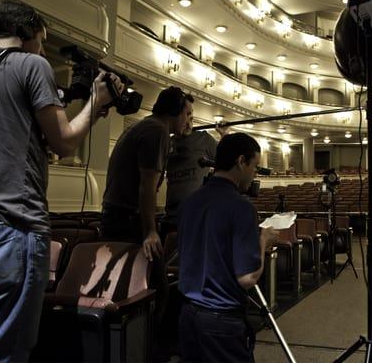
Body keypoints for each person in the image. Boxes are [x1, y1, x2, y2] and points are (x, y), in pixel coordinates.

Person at [0, 0, 120, 362]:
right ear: (27, 35)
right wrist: (96, 101)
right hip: (13, 226)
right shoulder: (31, 63)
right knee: (5, 348)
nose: (42, 50)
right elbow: (65, 143)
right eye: (41, 42)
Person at [100, 86, 192, 357]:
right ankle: (149, 352)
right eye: (187, 114)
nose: (189, 121)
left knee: (130, 288)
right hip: (129, 221)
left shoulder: (145, 126)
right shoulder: (157, 131)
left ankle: (131, 349)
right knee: (159, 289)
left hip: (117, 216)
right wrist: (150, 231)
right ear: (174, 111)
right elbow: (147, 186)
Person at [177, 133, 278, 362]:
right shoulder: (242, 207)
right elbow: (247, 278)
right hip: (220, 321)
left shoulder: (189, 201)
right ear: (241, 162)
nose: (254, 173)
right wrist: (263, 239)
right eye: (254, 166)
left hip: (187, 316)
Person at [163, 109, 227, 231]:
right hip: (171, 217)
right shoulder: (168, 142)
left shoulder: (204, 139)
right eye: (185, 118)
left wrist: (224, 136)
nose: (188, 123)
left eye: (191, 119)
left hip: (196, 217)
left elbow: (225, 162)